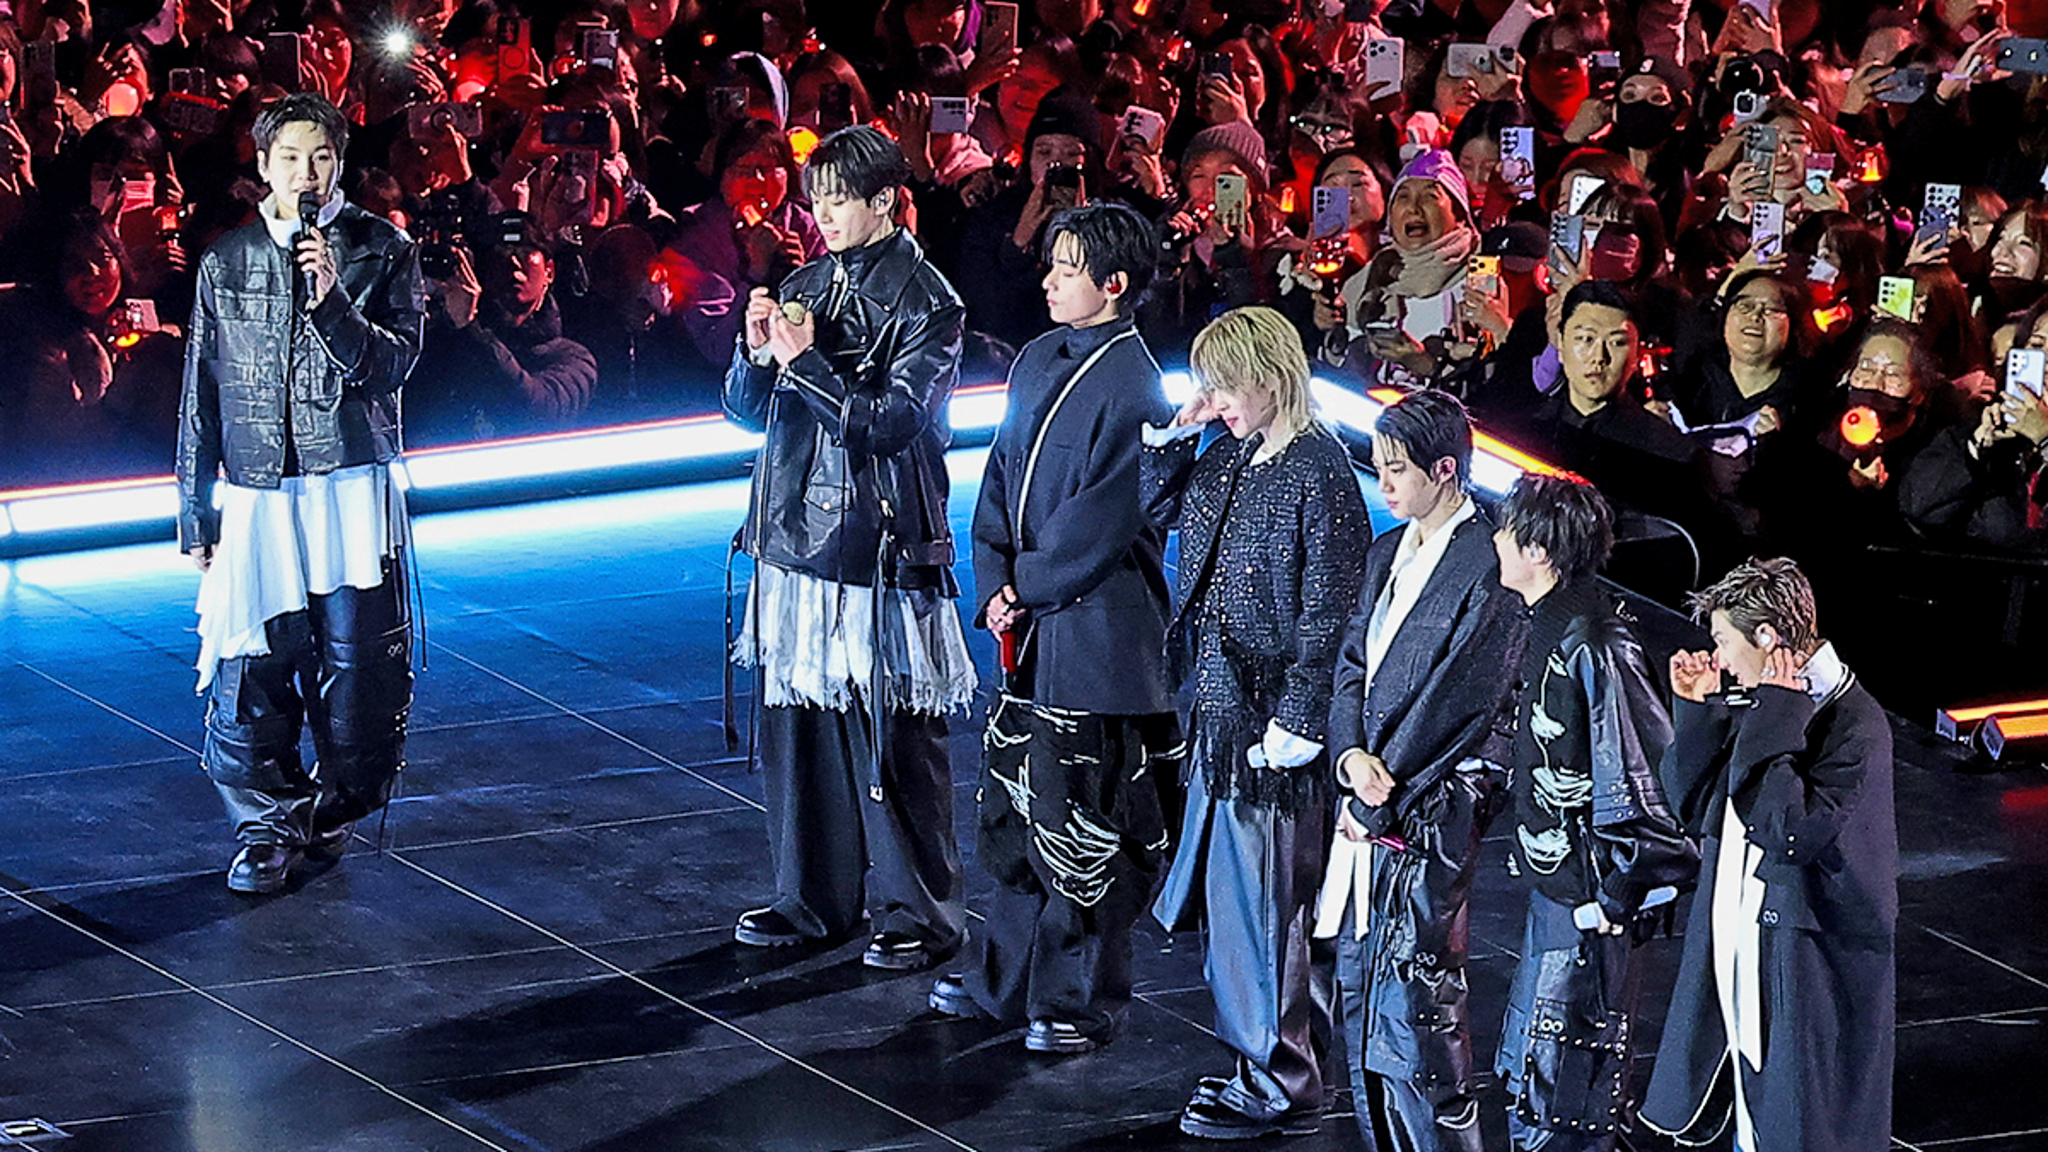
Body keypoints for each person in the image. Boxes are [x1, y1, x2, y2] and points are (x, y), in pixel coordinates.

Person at [928, 202, 1181, 1054]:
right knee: (1015, 807)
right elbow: (1000, 476)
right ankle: (999, 978)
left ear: (1113, 284)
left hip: (1098, 635)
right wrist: (994, 575)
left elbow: (1102, 523)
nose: (1048, 282)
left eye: (1067, 269)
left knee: (1087, 821)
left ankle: (1079, 999)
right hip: (1036, 623)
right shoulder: (1038, 358)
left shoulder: (1136, 386)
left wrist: (1023, 586)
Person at [724, 124, 974, 972]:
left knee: (894, 733)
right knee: (798, 725)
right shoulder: (805, 281)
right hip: (794, 529)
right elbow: (745, 412)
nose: (823, 214)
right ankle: (813, 898)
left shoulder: (929, 301)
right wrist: (754, 352)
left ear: (885, 202)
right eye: (818, 199)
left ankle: (921, 911)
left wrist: (805, 365)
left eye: (840, 199)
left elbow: (893, 422)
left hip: (879, 535)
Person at [175, 91, 425, 895]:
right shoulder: (228, 260)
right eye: (289, 158)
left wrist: (332, 302)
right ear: (262, 166)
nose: (305, 173)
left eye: (320, 157)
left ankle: (331, 807)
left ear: (340, 163)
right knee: (253, 659)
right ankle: (265, 822)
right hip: (257, 486)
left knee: (359, 665)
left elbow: (393, 365)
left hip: (347, 480)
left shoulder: (381, 248)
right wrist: (194, 509)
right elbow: (200, 392)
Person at [1143, 306, 1371, 1138]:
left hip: (1273, 727)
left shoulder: (1318, 471)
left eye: (1227, 385)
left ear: (1270, 378)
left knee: (1270, 911)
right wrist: (1178, 433)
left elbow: (1331, 612)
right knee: (1245, 910)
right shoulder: (1230, 454)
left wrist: (1301, 716)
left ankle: (1283, 1081)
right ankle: (1275, 1065)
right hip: (1221, 711)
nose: (1218, 401)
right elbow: (1152, 507)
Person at [1315, 388, 1526, 1152]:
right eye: (1377, 466)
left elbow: (1460, 695)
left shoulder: (1488, 562)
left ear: (1445, 470)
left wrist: (1379, 788)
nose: (1384, 483)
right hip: (1370, 793)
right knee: (1359, 983)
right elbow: (1350, 664)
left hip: (1431, 802)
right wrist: (1349, 756)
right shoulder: (1386, 552)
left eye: (1397, 469)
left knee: (1417, 998)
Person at [1641, 558, 1898, 1152]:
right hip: (1742, 955)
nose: (1720, 659)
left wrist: (1778, 715)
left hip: (1804, 971)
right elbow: (1700, 809)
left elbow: (1788, 831)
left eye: (1723, 641)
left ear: (1765, 637)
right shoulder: (1764, 702)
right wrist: (1699, 712)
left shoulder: (1853, 724)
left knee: (1790, 1129)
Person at [1490, 474, 1698, 1150]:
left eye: (1507, 530)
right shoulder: (1550, 624)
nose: (1496, 541)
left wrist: (1619, 889)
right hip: (1560, 889)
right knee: (1534, 1071)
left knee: (1568, 1091)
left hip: (1590, 900)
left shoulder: (1598, 639)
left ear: (1539, 550)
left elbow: (1642, 770)